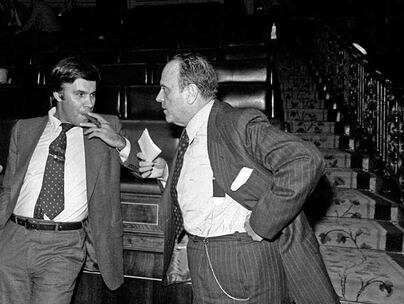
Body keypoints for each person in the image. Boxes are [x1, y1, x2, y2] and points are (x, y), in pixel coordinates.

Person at [136, 53, 340, 304]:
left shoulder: (234, 122)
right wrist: (168, 175)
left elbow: (304, 160)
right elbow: (211, 187)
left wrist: (262, 222)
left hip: (235, 261)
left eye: (165, 90)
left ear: (189, 93)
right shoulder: (193, 131)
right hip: (205, 259)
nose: (158, 97)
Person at [0, 56, 139, 304]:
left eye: (93, 95)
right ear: (57, 94)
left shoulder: (107, 127)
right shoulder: (24, 129)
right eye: (80, 94)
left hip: (63, 245)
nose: (89, 103)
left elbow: (148, 166)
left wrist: (120, 144)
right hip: (14, 239)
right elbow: (8, 188)